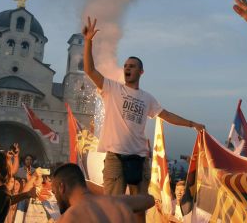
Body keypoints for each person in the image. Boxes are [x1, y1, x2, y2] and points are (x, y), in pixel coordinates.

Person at [83, 17, 206, 196]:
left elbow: (167, 115)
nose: (127, 68)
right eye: (125, 66)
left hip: (140, 158)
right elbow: (90, 70)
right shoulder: (112, 88)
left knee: (139, 207)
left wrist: (192, 123)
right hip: (115, 158)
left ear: (141, 72)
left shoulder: (148, 98)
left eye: (132, 66)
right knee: (115, 205)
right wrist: (88, 41)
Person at [51, 163, 154, 223]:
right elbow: (150, 200)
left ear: (61, 187)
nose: (56, 198)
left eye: (54, 192)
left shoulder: (68, 219)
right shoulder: (119, 202)